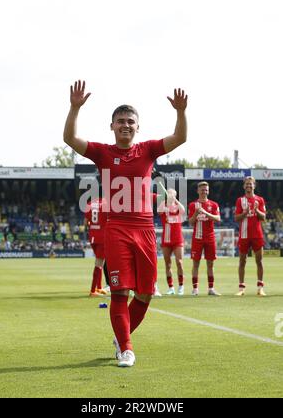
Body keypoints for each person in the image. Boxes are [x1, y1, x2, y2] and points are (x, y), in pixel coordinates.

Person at [63, 80, 188, 367]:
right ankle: (127, 349)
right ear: (112, 126)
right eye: (120, 121)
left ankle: (121, 337)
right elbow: (70, 138)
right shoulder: (102, 152)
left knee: (145, 293)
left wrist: (180, 112)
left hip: (145, 230)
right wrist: (74, 108)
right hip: (117, 228)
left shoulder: (148, 150)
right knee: (120, 290)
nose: (125, 125)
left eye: (130, 121)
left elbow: (179, 138)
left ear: (137, 126)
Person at [234, 176, 266, 296]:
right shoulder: (240, 200)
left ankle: (260, 288)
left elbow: (263, 217)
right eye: (246, 184)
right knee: (242, 261)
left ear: (254, 186)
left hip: (257, 234)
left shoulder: (260, 200)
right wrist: (245, 213)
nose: (248, 186)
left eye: (250, 184)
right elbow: (236, 218)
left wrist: (256, 210)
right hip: (244, 235)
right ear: (244, 186)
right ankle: (241, 288)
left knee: (259, 261)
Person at [188, 182, 221, 296]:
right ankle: (195, 289)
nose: (204, 192)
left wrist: (206, 213)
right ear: (198, 191)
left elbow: (218, 219)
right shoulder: (193, 205)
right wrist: (196, 213)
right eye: (202, 190)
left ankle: (211, 288)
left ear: (208, 191)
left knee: (210, 264)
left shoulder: (214, 205)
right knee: (196, 264)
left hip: (210, 237)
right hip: (197, 238)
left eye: (206, 190)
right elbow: (191, 222)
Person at [158, 188, 186, 295]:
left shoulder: (178, 207)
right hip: (166, 238)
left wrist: (175, 200)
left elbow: (183, 210)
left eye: (172, 194)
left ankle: (181, 286)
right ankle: (171, 287)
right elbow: (159, 211)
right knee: (168, 264)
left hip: (178, 239)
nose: (170, 195)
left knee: (179, 262)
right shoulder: (164, 206)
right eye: (169, 194)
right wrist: (165, 201)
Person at [84, 197, 108, 296]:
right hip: (102, 236)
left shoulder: (90, 203)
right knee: (99, 262)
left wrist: (93, 224)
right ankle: (93, 290)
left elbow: (86, 223)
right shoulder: (106, 203)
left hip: (92, 236)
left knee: (100, 261)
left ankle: (99, 287)